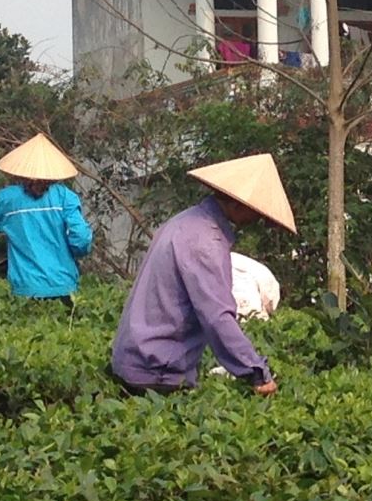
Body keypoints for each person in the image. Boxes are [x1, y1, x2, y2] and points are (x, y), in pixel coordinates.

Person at [110, 153, 296, 396]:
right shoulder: (205, 241)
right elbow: (217, 317)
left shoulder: (186, 221)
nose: (257, 219)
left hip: (136, 357)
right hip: (155, 370)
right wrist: (256, 372)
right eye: (256, 212)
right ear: (238, 204)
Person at [0, 133, 93, 304]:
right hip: (63, 284)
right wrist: (76, 253)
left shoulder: (6, 199)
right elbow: (81, 239)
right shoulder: (65, 198)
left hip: (24, 287)